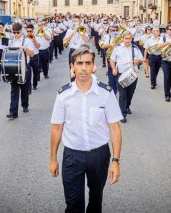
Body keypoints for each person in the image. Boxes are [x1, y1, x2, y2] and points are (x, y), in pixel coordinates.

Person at [49, 46, 122, 213]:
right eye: (79, 63)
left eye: (87, 63)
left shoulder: (106, 93)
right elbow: (57, 128)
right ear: (72, 66)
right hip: (73, 156)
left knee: (96, 200)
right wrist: (53, 158)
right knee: (73, 203)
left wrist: (116, 161)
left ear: (93, 66)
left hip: (100, 155)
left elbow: (115, 128)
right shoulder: (63, 95)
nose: (83, 68)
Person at [110, 31, 143, 123]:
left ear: (132, 39)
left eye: (129, 38)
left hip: (133, 74)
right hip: (121, 74)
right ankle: (122, 114)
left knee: (130, 93)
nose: (128, 40)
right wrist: (113, 69)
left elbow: (141, 60)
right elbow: (112, 60)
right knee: (123, 94)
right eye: (126, 38)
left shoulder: (135, 48)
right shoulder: (118, 48)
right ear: (123, 39)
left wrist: (138, 62)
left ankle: (127, 106)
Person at [6, 23, 34, 119]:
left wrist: (26, 49)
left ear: (21, 31)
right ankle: (13, 112)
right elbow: (5, 53)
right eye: (14, 32)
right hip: (13, 67)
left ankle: (25, 105)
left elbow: (32, 55)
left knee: (24, 89)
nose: (16, 34)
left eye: (18, 32)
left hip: (25, 67)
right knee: (14, 90)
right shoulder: (10, 41)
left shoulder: (27, 41)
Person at [157, 25, 171, 102]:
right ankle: (167, 94)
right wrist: (168, 43)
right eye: (170, 29)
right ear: (166, 30)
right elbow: (159, 46)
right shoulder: (163, 38)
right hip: (165, 60)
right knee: (167, 76)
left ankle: (168, 90)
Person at [100, 24, 120, 94]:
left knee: (118, 79)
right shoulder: (108, 36)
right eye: (113, 30)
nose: (114, 32)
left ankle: (116, 90)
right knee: (111, 79)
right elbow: (102, 46)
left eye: (116, 30)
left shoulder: (121, 37)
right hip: (111, 59)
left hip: (120, 60)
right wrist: (110, 45)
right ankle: (112, 93)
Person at [25, 24, 41, 93]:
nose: (29, 33)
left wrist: (34, 40)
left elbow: (38, 46)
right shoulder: (24, 38)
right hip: (28, 57)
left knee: (35, 72)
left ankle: (35, 84)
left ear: (33, 31)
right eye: (27, 31)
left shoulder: (37, 37)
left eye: (30, 31)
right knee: (28, 74)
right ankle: (29, 88)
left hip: (35, 56)